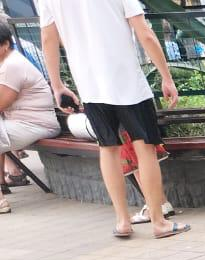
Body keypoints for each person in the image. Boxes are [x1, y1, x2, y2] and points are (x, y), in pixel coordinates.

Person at [39, 0, 190, 238]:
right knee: (145, 148)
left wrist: (57, 86)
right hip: (128, 83)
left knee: (108, 149)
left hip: (90, 86)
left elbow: (48, 39)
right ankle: (158, 222)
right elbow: (145, 33)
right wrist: (166, 77)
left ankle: (122, 221)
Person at [0, 18, 59, 211]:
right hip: (21, 122)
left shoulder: (12, 65)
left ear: (5, 45)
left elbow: (2, 102)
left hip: (37, 124)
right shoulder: (6, 62)